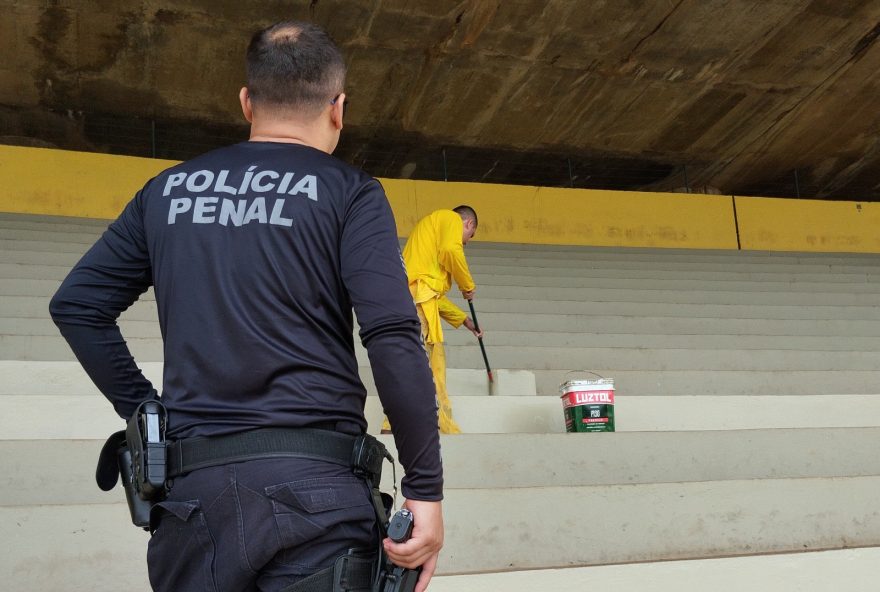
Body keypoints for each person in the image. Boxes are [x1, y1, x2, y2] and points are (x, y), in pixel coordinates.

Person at [49, 21, 443, 592]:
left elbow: (78, 305)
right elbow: (390, 332)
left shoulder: (166, 190)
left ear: (245, 101)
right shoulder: (351, 191)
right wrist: (424, 488)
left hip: (192, 501)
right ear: (338, 108)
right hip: (318, 495)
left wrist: (147, 413)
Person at [382, 206, 483, 435]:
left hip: (414, 302)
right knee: (417, 366)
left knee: (418, 364)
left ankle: (395, 424)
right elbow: (451, 249)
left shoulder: (430, 241)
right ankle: (400, 425)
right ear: (467, 224)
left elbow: (432, 294)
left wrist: (464, 319)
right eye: (471, 235)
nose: (466, 242)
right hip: (416, 304)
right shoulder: (449, 218)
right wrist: (467, 285)